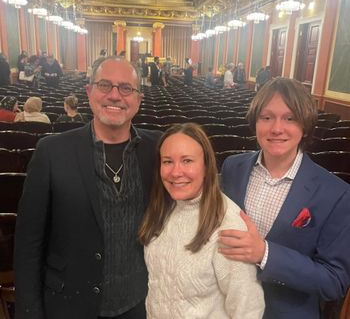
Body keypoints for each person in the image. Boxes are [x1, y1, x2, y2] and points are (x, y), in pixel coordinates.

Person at [14, 56, 161, 319]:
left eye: (126, 88)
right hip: (69, 305)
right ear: (89, 91)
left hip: (141, 306)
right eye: (105, 85)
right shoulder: (51, 151)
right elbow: (28, 244)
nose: (115, 95)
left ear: (139, 99)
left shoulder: (159, 149)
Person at [219, 77, 350, 319]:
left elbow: (334, 281)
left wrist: (265, 254)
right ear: (255, 121)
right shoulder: (232, 168)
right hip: (228, 306)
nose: (276, 128)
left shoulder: (337, 193)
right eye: (266, 117)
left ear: (305, 125)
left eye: (289, 118)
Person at [139, 123, 265, 319]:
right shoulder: (162, 207)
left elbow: (247, 308)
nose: (176, 172)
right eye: (167, 161)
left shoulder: (228, 224)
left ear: (206, 166)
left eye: (187, 161)